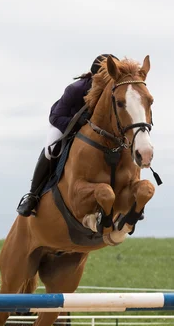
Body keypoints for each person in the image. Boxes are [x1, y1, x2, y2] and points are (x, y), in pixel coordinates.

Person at [17, 54, 119, 217]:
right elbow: (56, 117)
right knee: (52, 150)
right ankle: (33, 196)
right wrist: (79, 125)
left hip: (93, 131)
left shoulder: (111, 93)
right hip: (63, 123)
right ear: (96, 76)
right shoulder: (76, 89)